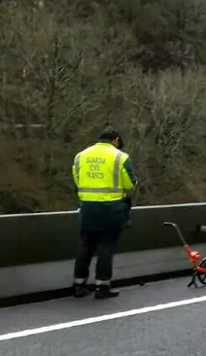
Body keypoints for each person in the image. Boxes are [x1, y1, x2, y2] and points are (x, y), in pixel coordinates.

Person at [71, 126, 138, 299]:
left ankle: (79, 285)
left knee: (86, 245)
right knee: (106, 247)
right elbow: (130, 184)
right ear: (116, 140)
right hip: (111, 208)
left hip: (88, 208)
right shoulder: (120, 157)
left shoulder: (81, 156)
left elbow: (77, 179)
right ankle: (102, 286)